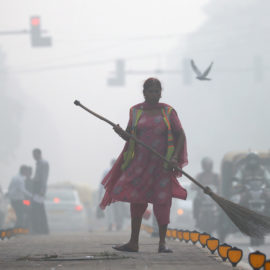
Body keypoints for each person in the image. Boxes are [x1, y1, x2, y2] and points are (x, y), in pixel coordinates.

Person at [100, 78, 188, 253]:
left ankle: (162, 243)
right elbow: (129, 136)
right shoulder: (135, 111)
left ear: (161, 93)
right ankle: (134, 242)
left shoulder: (168, 111)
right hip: (139, 165)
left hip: (162, 166)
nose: (154, 95)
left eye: (157, 91)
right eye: (151, 91)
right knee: (137, 200)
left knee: (162, 202)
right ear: (144, 93)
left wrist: (175, 159)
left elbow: (181, 135)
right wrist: (120, 133)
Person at [192, 157, 219, 227]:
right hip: (202, 197)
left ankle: (221, 221)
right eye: (205, 165)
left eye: (209, 165)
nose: (207, 167)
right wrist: (194, 187)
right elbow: (193, 185)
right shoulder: (199, 176)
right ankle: (197, 219)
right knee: (196, 201)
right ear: (203, 166)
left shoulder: (216, 176)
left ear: (211, 166)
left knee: (221, 204)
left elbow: (221, 185)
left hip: (213, 197)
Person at [31, 148, 49, 234]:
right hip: (37, 188)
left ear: (39, 154)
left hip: (39, 188)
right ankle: (41, 229)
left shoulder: (43, 163)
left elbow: (44, 178)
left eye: (34, 154)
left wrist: (42, 189)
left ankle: (42, 229)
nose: (33, 156)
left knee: (39, 210)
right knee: (38, 209)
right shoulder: (38, 164)